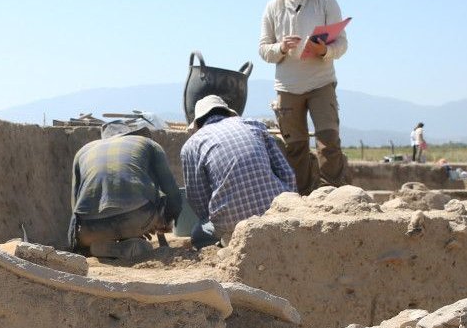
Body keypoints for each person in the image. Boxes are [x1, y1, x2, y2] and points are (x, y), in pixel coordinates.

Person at [258, 0, 350, 195]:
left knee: (328, 140)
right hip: (288, 87)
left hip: (321, 82)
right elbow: (263, 49)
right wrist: (281, 47)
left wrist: (323, 51)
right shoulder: (272, 7)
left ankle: (333, 194)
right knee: (295, 147)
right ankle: (301, 197)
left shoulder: (326, 0)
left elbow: (342, 43)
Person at [180, 95, 297, 247]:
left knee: (198, 234)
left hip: (233, 226)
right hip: (277, 213)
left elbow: (198, 199)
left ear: (198, 124)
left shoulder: (191, 146)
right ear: (227, 113)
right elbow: (287, 174)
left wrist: (214, 219)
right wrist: (290, 206)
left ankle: (227, 244)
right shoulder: (254, 125)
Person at [68, 120, 182, 259]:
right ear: (129, 133)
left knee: (107, 222)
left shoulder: (83, 152)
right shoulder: (147, 143)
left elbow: (75, 208)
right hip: (137, 220)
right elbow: (171, 191)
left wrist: (76, 245)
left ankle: (104, 247)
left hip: (89, 230)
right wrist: (167, 219)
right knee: (157, 196)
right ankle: (132, 241)